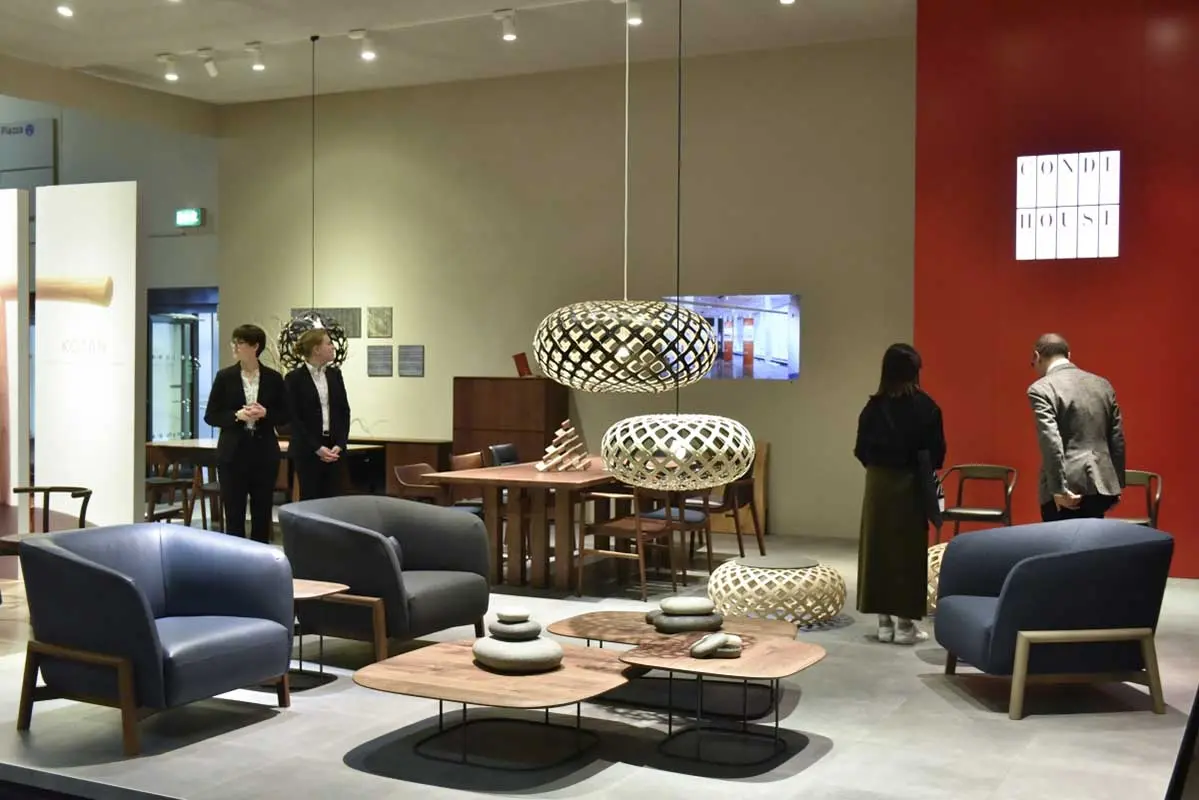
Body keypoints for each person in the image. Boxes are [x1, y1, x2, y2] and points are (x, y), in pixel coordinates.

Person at [854, 343, 946, 645]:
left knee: (877, 549)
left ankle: (883, 623)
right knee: (908, 551)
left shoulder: (872, 407)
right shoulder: (926, 407)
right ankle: (905, 625)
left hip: (878, 485)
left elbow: (861, 450)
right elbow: (937, 454)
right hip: (911, 484)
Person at [203, 324, 288, 543]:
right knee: (234, 513)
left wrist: (266, 413)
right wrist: (236, 415)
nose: (234, 346)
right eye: (234, 342)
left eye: (240, 342)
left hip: (264, 452)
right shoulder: (225, 377)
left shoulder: (273, 378)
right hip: (233, 453)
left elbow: (286, 415)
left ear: (255, 346)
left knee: (262, 512)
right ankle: (235, 558)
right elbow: (211, 415)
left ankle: (260, 556)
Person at [1027, 333, 1125, 521]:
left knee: (1060, 539)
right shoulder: (1102, 385)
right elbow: (1117, 437)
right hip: (1101, 487)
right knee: (1094, 539)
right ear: (1069, 355)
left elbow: (1050, 441)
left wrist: (1058, 489)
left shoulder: (1041, 388)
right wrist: (1116, 484)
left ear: (1037, 356)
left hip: (1066, 491)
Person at [284, 328, 351, 500]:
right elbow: (294, 418)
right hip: (308, 450)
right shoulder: (294, 378)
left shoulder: (335, 375)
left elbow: (344, 411)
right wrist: (316, 448)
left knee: (334, 500)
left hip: (334, 448)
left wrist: (340, 443)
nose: (333, 347)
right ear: (316, 349)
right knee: (311, 500)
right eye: (329, 343)